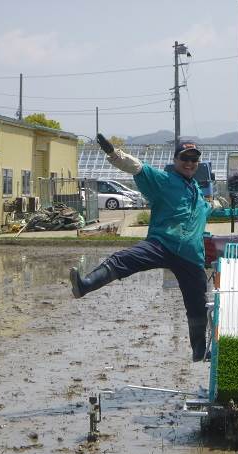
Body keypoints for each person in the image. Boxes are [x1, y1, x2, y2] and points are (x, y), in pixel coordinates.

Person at [69, 134, 213, 361]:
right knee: (124, 258)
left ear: (198, 164)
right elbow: (137, 167)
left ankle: (199, 350)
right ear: (175, 160)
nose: (189, 163)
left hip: (190, 256)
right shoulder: (165, 181)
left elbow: (204, 214)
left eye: (194, 160)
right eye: (185, 158)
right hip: (162, 243)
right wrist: (113, 154)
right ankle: (85, 285)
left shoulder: (197, 193)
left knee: (197, 306)